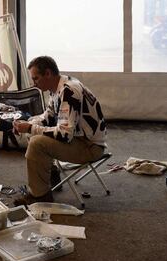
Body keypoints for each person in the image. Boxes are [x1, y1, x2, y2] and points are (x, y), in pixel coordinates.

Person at [12, 56, 107, 206]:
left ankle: (40, 195)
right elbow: (48, 117)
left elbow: (64, 135)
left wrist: (30, 128)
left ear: (48, 74)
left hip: (90, 147)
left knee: (37, 142)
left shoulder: (69, 91)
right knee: (35, 132)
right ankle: (51, 174)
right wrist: (27, 123)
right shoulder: (59, 86)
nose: (33, 83)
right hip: (80, 138)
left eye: (36, 78)